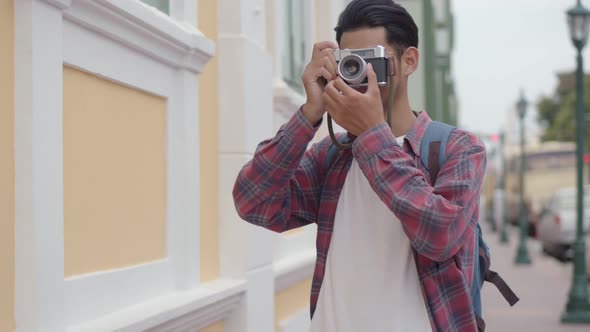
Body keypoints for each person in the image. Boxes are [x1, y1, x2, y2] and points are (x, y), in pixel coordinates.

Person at [232, 0, 486, 331]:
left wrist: (371, 134)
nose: (358, 73)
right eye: (349, 62)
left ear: (408, 61)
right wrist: (309, 113)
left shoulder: (458, 149)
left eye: (372, 61)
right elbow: (253, 202)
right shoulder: (332, 155)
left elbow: (440, 235)